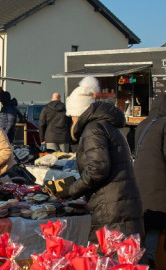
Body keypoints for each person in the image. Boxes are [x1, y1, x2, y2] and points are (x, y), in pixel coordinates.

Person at [56, 77, 143, 236]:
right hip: (119, 202)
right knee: (125, 256)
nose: (72, 121)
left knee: (112, 258)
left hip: (111, 206)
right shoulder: (105, 125)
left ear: (78, 114)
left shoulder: (93, 129)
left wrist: (72, 189)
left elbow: (98, 167)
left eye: (73, 116)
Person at [133, 93, 166, 266]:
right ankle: (151, 264)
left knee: (144, 221)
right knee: (155, 221)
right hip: (158, 180)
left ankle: (140, 262)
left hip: (139, 179)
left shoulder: (143, 124)